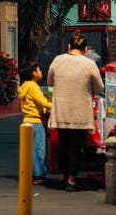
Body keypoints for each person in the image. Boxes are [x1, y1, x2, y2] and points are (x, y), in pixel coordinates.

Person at [47, 30, 104, 192]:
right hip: (80, 113)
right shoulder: (89, 64)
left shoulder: (58, 60)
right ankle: (72, 180)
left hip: (61, 111)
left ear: (69, 46)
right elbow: (99, 87)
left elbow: (50, 81)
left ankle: (62, 177)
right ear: (86, 49)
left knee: (63, 145)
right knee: (76, 147)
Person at [18, 61, 52, 184]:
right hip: (35, 122)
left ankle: (29, 173)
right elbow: (42, 102)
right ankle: (39, 175)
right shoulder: (33, 87)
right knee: (39, 150)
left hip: (26, 121)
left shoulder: (24, 86)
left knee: (28, 151)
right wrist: (55, 106)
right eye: (39, 70)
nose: (41, 72)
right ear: (33, 73)